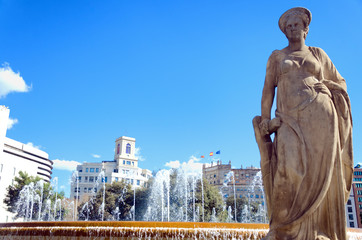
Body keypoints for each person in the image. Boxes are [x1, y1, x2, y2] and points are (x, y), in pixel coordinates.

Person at [253, 7, 353, 240]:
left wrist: (329, 88)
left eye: (296, 24)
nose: (292, 29)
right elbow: (267, 90)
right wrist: (266, 121)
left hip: (321, 118)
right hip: (288, 119)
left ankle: (317, 231)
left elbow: (341, 83)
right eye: (288, 26)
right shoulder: (277, 56)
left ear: (306, 28)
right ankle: (282, 229)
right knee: (287, 170)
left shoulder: (318, 54)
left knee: (319, 174)